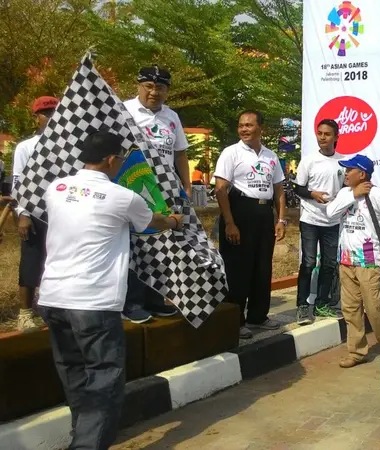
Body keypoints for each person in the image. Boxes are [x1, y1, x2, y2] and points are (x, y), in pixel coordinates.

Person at [37, 130, 183, 449]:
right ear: (111, 160)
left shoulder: (55, 189)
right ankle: (88, 443)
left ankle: (84, 431)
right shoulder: (122, 197)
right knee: (104, 380)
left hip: (52, 298)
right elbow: (150, 222)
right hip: (93, 302)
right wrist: (173, 221)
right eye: (120, 159)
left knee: (74, 373)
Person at [122, 65, 189, 322]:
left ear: (167, 91)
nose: (154, 92)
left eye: (160, 87)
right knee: (135, 245)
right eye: (148, 86)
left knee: (160, 245)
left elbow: (181, 153)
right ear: (139, 86)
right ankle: (132, 303)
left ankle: (154, 299)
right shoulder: (124, 110)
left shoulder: (171, 117)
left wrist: (186, 185)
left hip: (164, 191)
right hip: (133, 187)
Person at [214, 110, 287, 339]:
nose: (244, 129)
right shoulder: (231, 153)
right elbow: (220, 189)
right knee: (238, 269)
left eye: (249, 125)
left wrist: (281, 219)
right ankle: (236, 320)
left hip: (264, 215)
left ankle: (258, 316)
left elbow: (278, 190)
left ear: (260, 128)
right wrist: (229, 223)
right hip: (239, 212)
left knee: (262, 267)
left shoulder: (270, 156)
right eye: (241, 125)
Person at [326, 155, 380, 368]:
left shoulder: (376, 194)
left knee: (375, 308)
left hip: (369, 261)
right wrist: (352, 194)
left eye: (349, 170)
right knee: (350, 310)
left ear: (362, 174)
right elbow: (330, 213)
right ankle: (357, 352)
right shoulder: (345, 193)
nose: (345, 173)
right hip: (346, 260)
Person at [12, 95, 58, 331]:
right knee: (31, 261)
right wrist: (23, 214)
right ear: (37, 117)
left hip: (61, 214)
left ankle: (51, 309)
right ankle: (25, 313)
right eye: (46, 114)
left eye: (54, 113)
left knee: (58, 262)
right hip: (33, 213)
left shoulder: (67, 147)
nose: (51, 118)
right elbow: (18, 185)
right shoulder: (25, 147)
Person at [293, 119, 345, 324]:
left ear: (336, 137)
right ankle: (303, 306)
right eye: (320, 133)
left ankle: (323, 304)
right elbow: (298, 188)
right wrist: (312, 194)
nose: (322, 138)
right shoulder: (309, 160)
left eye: (327, 134)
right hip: (310, 219)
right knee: (308, 263)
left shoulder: (343, 161)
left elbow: (346, 189)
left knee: (330, 264)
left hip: (332, 221)